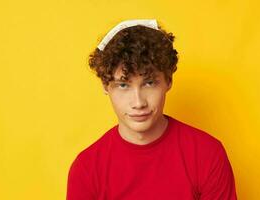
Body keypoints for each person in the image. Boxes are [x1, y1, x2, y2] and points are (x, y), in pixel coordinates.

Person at [66, 19, 237, 200]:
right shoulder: (86, 169)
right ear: (106, 86)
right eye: (123, 85)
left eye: (149, 83)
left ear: (169, 81)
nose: (138, 102)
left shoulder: (207, 154)